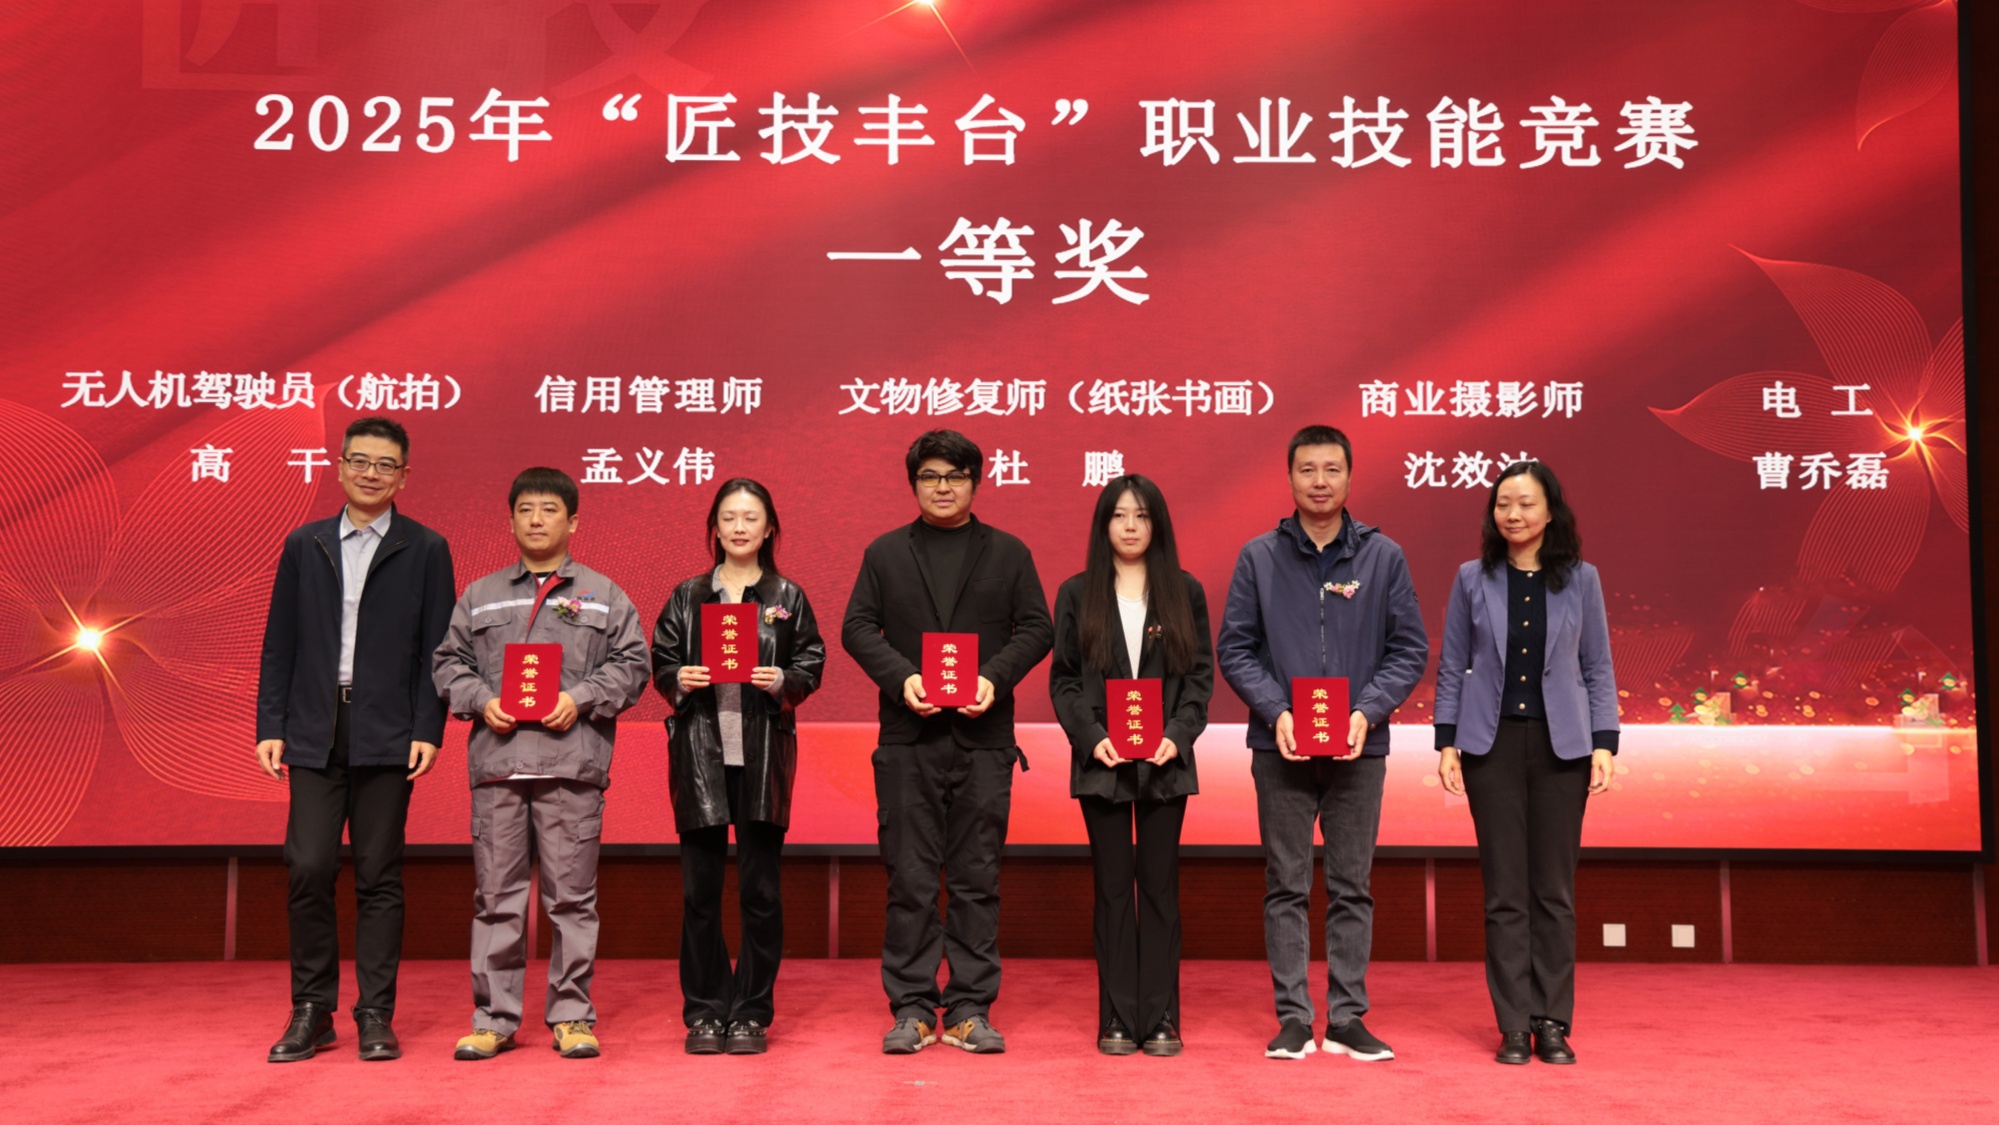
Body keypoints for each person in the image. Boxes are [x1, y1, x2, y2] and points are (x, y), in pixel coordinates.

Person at [1216, 424, 1428, 1062]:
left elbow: (1408, 649)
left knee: (1351, 885)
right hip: (1278, 746)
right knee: (1285, 884)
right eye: (1307, 469)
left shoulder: (1383, 557)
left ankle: (1346, 1018)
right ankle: (1292, 1017)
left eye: (1331, 469)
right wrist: (1276, 710)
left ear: (1349, 477)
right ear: (1289, 477)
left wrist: (1367, 711)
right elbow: (1235, 648)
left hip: (1360, 748)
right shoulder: (1259, 556)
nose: (1319, 481)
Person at [842, 429, 1053, 1055]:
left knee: (976, 878)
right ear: (914, 484)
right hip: (908, 738)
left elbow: (1037, 627)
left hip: (983, 739)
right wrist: (903, 677)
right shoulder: (885, 552)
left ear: (975, 483)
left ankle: (968, 1008)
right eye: (930, 476)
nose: (943, 487)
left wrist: (994, 677)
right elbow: (857, 627)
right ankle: (910, 1007)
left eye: (956, 476)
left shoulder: (1008, 551)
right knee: (908, 878)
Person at [255, 416, 456, 1063]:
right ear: (339, 466)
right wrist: (271, 724)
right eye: (360, 461)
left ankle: (375, 1013)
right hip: (315, 727)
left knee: (378, 874)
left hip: (388, 730)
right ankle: (312, 1009)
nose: (371, 473)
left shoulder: (426, 548)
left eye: (385, 464)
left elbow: (437, 649)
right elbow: (279, 642)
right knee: (308, 865)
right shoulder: (304, 543)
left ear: (404, 476)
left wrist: (427, 728)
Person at [433, 467, 650, 1061]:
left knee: (571, 900)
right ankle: (493, 1019)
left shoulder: (603, 594)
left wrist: (579, 698)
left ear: (572, 521)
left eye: (549, 509)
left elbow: (633, 664)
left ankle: (572, 1016)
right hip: (499, 767)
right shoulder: (480, 594)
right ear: (510, 521)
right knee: (496, 898)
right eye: (525, 509)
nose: (536, 519)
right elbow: (448, 663)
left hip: (570, 766)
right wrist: (482, 700)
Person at [1434, 461, 1617, 1066]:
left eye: (1526, 503)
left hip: (1564, 748)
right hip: (1491, 747)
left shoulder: (1581, 578)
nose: (1513, 514)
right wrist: (1447, 741)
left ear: (1550, 511)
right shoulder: (1472, 577)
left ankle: (1552, 1021)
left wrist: (1604, 742)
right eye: (1503, 504)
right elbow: (1452, 663)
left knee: (1554, 892)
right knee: (1504, 893)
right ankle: (1513, 1023)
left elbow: (1597, 666)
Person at [649, 479, 826, 1055]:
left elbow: (811, 662)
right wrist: (679, 678)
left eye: (751, 517)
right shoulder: (688, 595)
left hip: (762, 751)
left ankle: (750, 1012)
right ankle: (704, 1011)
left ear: (769, 528)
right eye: (729, 517)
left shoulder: (787, 595)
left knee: (760, 890)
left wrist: (782, 680)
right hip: (701, 750)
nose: (740, 527)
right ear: (715, 528)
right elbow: (661, 659)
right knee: (700, 892)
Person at [1048, 475, 1211, 1058]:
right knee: (1114, 889)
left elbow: (1199, 677)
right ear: (1104, 525)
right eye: (1119, 515)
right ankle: (1117, 1014)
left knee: (1160, 888)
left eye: (1142, 515)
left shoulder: (1184, 591)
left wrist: (1178, 734)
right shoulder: (1077, 592)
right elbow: (1064, 680)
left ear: (1157, 523)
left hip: (1166, 763)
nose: (1131, 526)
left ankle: (1162, 1015)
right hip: (1103, 763)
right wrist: (1091, 738)